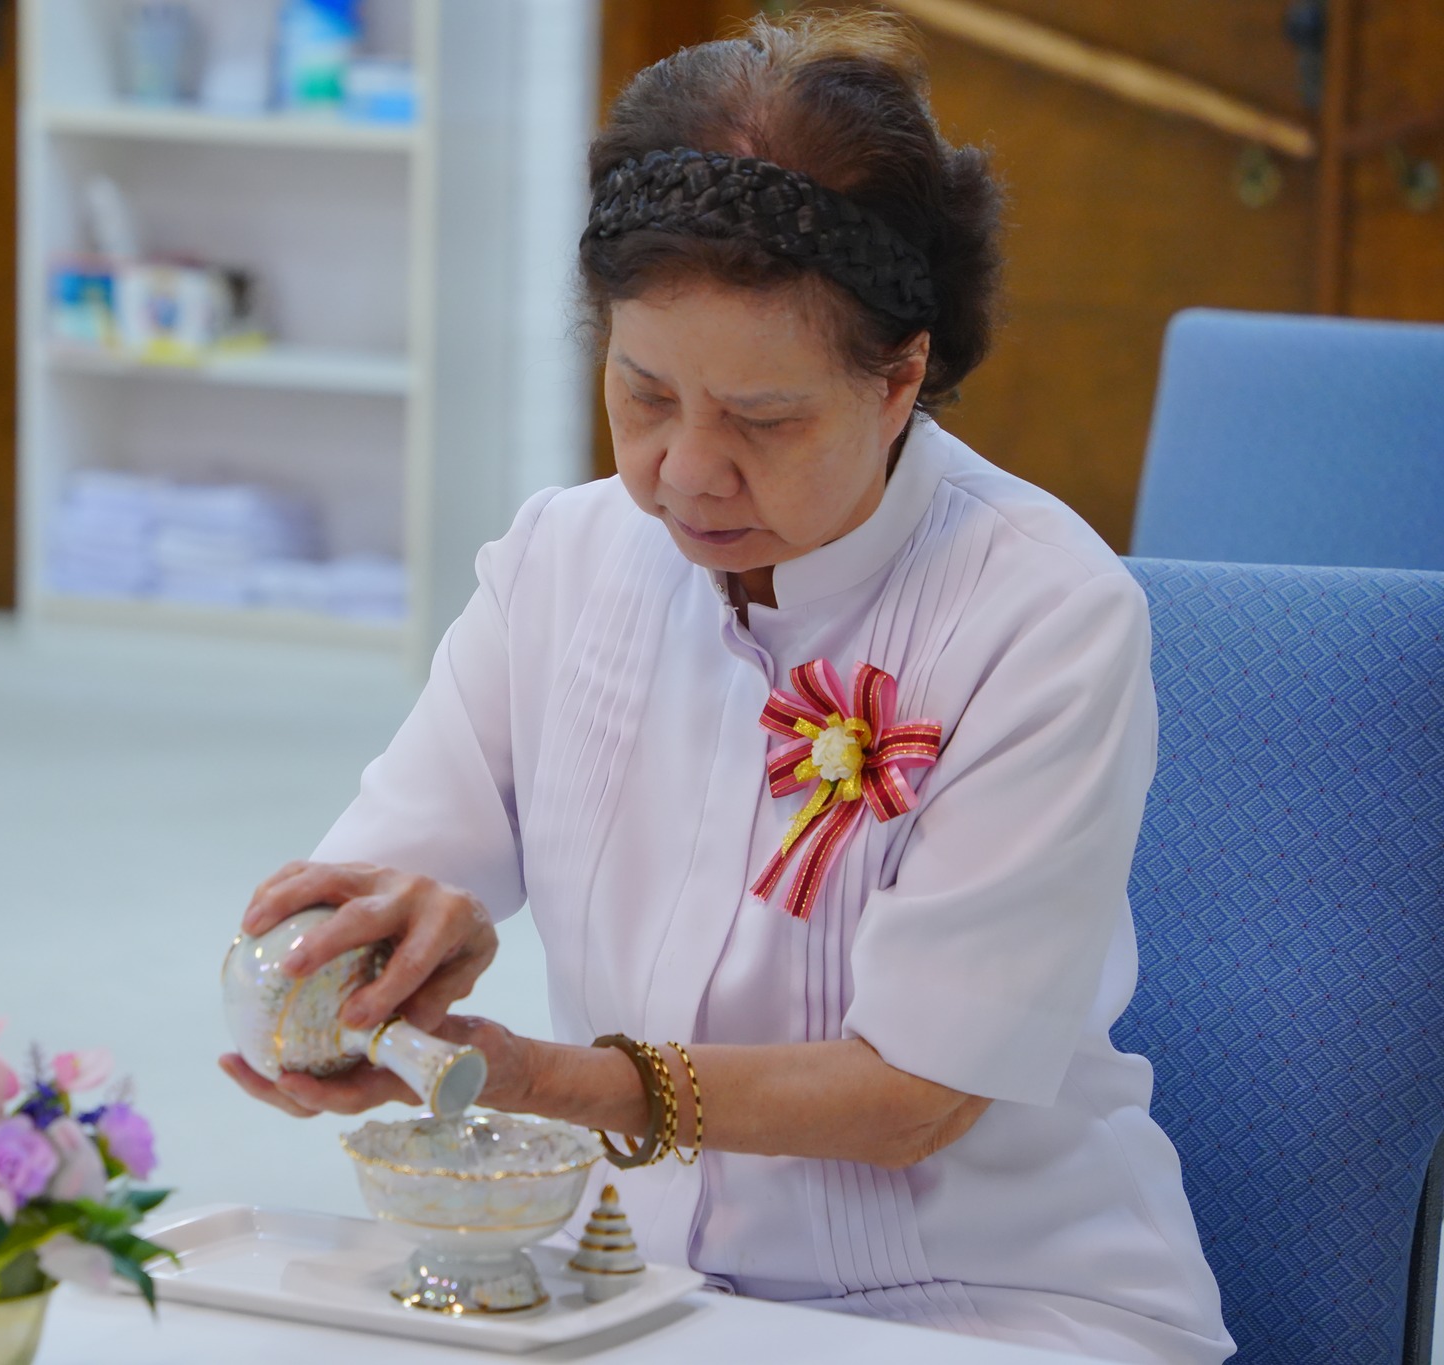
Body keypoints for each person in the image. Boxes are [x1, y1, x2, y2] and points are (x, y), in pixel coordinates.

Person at [220, 13, 1233, 1362]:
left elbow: (917, 1094)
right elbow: (353, 901)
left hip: (995, 1307)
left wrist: (557, 1082)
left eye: (764, 422)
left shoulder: (1042, 614)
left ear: (901, 377)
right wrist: (343, 978)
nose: (686, 475)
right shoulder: (561, 563)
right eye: (643, 395)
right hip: (640, 1290)